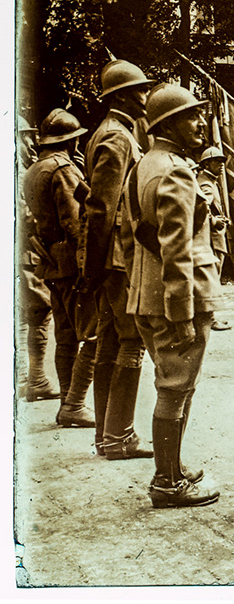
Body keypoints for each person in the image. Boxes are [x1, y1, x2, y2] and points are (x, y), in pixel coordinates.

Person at [126, 83, 219, 507]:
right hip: (177, 298)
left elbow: (138, 234)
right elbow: (176, 246)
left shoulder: (144, 164)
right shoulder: (177, 169)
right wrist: (181, 311)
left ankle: (174, 468)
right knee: (175, 387)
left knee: (175, 385)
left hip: (147, 293)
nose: (202, 124)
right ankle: (167, 483)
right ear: (170, 124)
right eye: (192, 117)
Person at [77, 60, 157, 448]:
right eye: (141, 90)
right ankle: (119, 434)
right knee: (131, 339)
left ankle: (107, 432)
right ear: (123, 95)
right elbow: (101, 209)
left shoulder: (114, 133)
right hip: (117, 257)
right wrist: (93, 268)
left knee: (111, 339)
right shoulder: (117, 138)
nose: (146, 96)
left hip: (111, 256)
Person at [23, 109, 90, 406]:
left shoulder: (33, 169)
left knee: (65, 335)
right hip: (73, 261)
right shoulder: (63, 170)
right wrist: (88, 264)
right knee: (92, 333)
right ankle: (74, 404)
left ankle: (67, 401)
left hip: (52, 260)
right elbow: (75, 223)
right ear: (71, 141)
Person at [195, 147, 234, 331]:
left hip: (213, 237)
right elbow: (202, 208)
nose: (221, 165)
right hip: (211, 238)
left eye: (221, 161)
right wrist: (214, 221)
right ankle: (209, 319)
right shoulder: (206, 184)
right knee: (212, 279)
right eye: (217, 161)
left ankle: (210, 317)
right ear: (206, 163)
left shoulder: (209, 181)